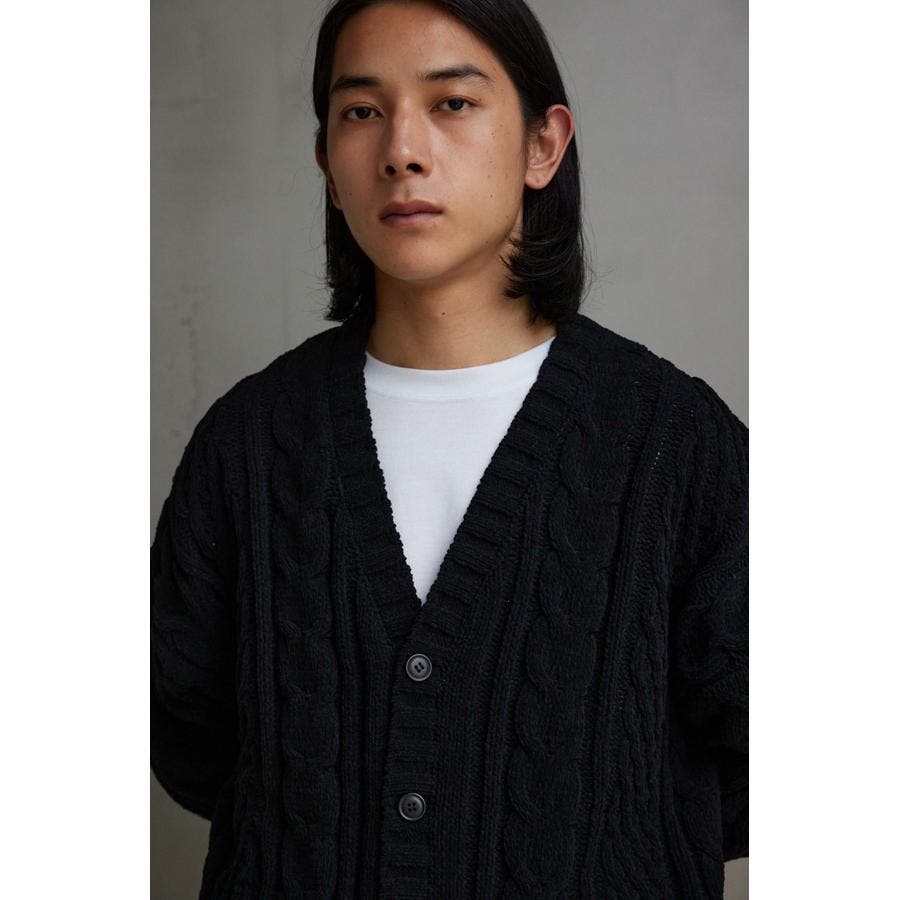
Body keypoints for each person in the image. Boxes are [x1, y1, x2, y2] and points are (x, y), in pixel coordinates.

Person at [150, 0, 749, 897]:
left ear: (543, 145)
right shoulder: (249, 447)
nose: (401, 149)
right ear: (327, 164)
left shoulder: (676, 445)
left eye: (453, 103)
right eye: (361, 111)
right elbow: (186, 737)